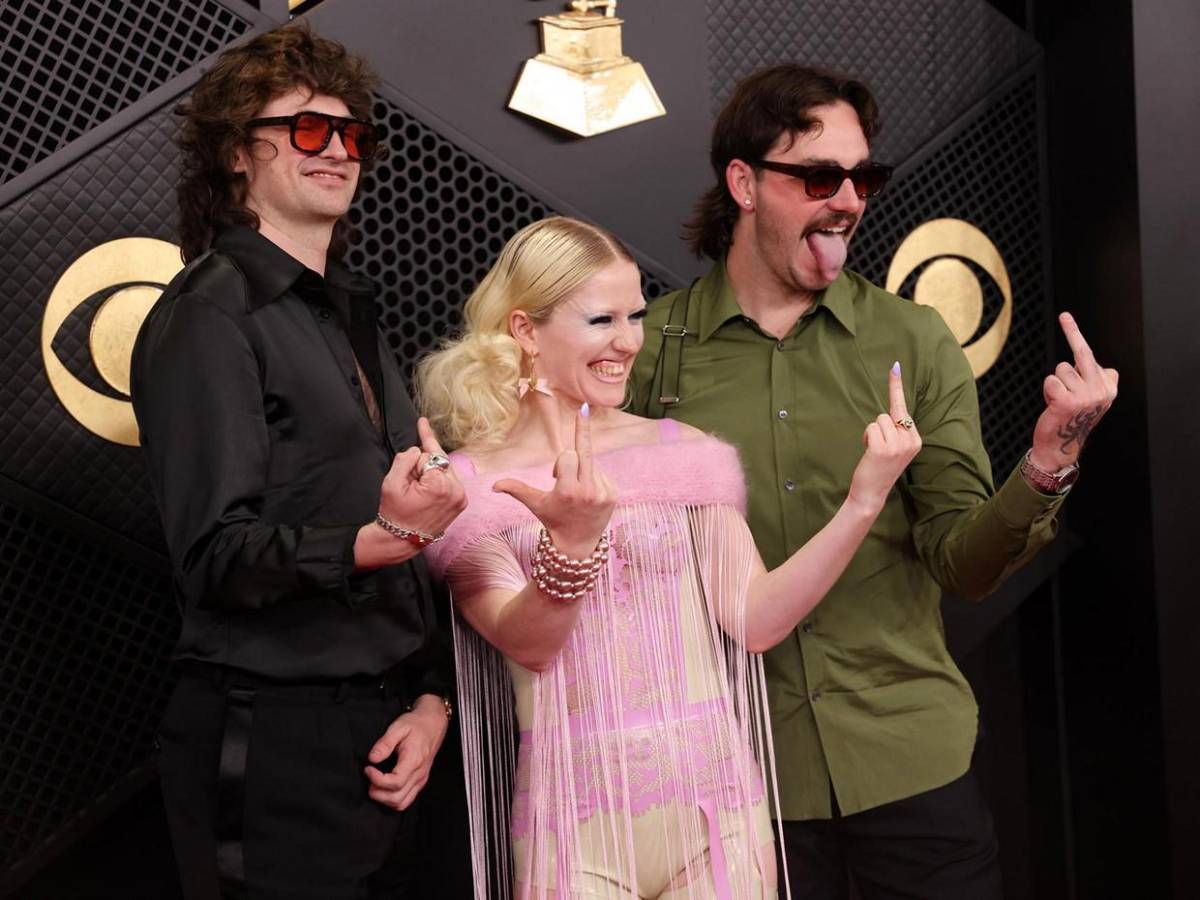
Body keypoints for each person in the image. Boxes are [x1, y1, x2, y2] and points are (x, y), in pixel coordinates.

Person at [628, 65, 1119, 899]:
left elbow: (962, 562)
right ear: (744, 182)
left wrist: (1049, 459)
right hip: (735, 781)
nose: (850, 199)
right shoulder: (649, 348)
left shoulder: (914, 339)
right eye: (821, 176)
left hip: (910, 767)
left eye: (865, 177)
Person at [415, 216, 921, 899]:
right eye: (601, 319)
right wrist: (572, 544)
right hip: (575, 831)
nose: (628, 342)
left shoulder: (683, 454)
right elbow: (527, 644)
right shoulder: (475, 487)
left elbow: (756, 620)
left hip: (718, 818)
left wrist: (865, 499)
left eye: (636, 316)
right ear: (525, 330)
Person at [130, 24, 466, 899]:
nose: (338, 151)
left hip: (391, 739)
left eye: (352, 133)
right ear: (239, 152)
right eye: (308, 130)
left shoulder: (347, 314)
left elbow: (408, 556)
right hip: (270, 744)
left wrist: (431, 706)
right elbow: (214, 556)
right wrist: (383, 536)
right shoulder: (209, 316)